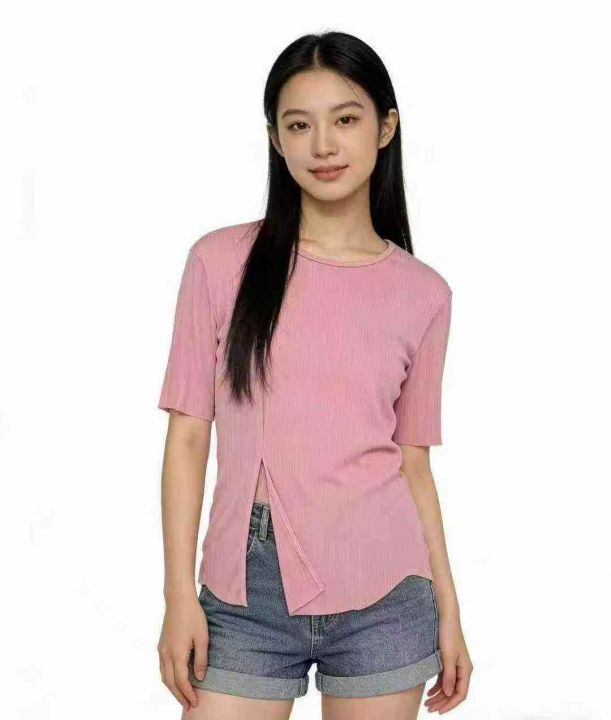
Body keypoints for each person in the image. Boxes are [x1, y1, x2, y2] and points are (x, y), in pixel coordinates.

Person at [156, 30, 473, 720]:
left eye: (345, 119)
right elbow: (188, 437)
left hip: (386, 595)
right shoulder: (219, 262)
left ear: (385, 127)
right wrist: (178, 595)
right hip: (244, 593)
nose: (323, 145)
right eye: (299, 125)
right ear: (276, 139)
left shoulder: (424, 293)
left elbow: (413, 462)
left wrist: (449, 611)